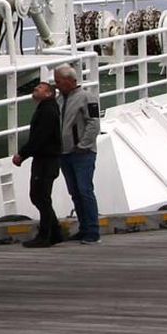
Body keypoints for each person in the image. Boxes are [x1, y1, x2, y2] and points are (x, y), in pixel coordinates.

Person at [12, 81, 64, 247]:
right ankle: (55, 232)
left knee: (40, 196)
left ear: (49, 93)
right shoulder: (47, 108)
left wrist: (22, 154)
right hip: (46, 159)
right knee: (41, 196)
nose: (35, 89)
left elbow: (40, 137)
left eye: (40, 88)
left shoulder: (47, 110)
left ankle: (45, 235)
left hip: (46, 159)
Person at [56, 65, 102, 244]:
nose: (57, 85)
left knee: (84, 190)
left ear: (69, 80)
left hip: (82, 153)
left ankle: (92, 230)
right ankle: (84, 228)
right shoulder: (60, 99)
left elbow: (93, 123)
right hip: (65, 153)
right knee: (75, 192)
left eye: (59, 81)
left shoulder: (87, 97)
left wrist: (83, 145)